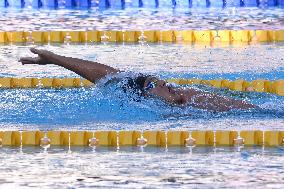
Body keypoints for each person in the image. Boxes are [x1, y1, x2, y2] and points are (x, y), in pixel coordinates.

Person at [19, 48, 258, 112]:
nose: (165, 84)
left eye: (159, 80)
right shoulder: (168, 106)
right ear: (142, 98)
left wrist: (56, 59)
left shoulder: (184, 99)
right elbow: (109, 78)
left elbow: (111, 75)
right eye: (153, 85)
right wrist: (54, 60)